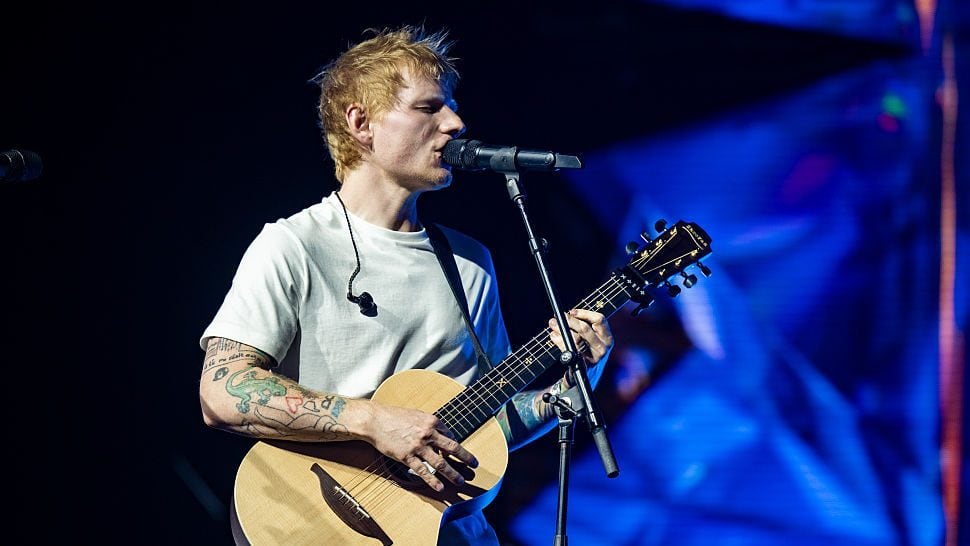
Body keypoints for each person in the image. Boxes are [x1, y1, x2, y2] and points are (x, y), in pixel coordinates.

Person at [198, 25, 614, 545]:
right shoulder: (294, 245)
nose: (456, 124)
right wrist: (374, 422)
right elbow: (222, 392)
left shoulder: (469, 263)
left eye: (452, 109)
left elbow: (491, 425)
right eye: (428, 108)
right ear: (361, 123)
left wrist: (574, 385)